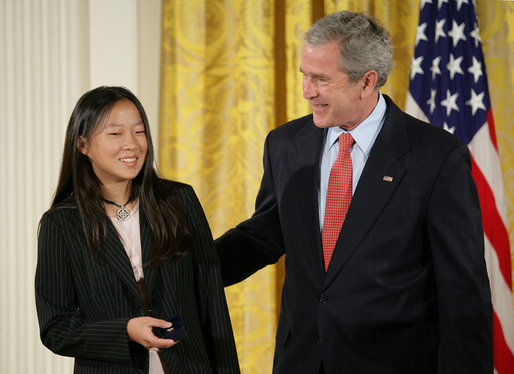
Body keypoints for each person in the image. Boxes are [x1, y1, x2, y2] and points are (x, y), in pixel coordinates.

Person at [215, 10, 492, 374]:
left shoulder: (436, 156)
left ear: (367, 81)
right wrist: (180, 270)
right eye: (304, 76)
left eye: (321, 79)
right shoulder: (285, 144)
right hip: (301, 361)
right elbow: (264, 234)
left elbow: (463, 292)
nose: (307, 91)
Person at [35, 86, 240, 374]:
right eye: (115, 133)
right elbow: (56, 328)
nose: (131, 144)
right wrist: (126, 330)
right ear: (83, 145)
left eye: (139, 132)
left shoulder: (179, 201)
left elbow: (212, 303)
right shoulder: (61, 224)